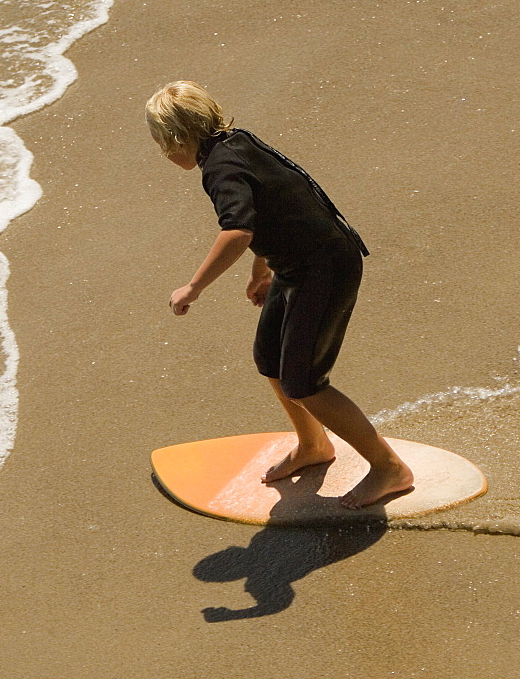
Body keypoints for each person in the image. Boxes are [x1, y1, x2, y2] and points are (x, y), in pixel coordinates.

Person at [146, 80, 413, 509]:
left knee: (304, 382)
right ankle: (313, 445)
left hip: (324, 268)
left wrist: (193, 287)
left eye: (160, 144)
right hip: (297, 264)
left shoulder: (219, 168)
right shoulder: (237, 143)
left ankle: (389, 469)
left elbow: (237, 230)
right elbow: (280, 203)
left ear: (176, 139)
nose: (162, 153)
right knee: (270, 359)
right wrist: (262, 268)